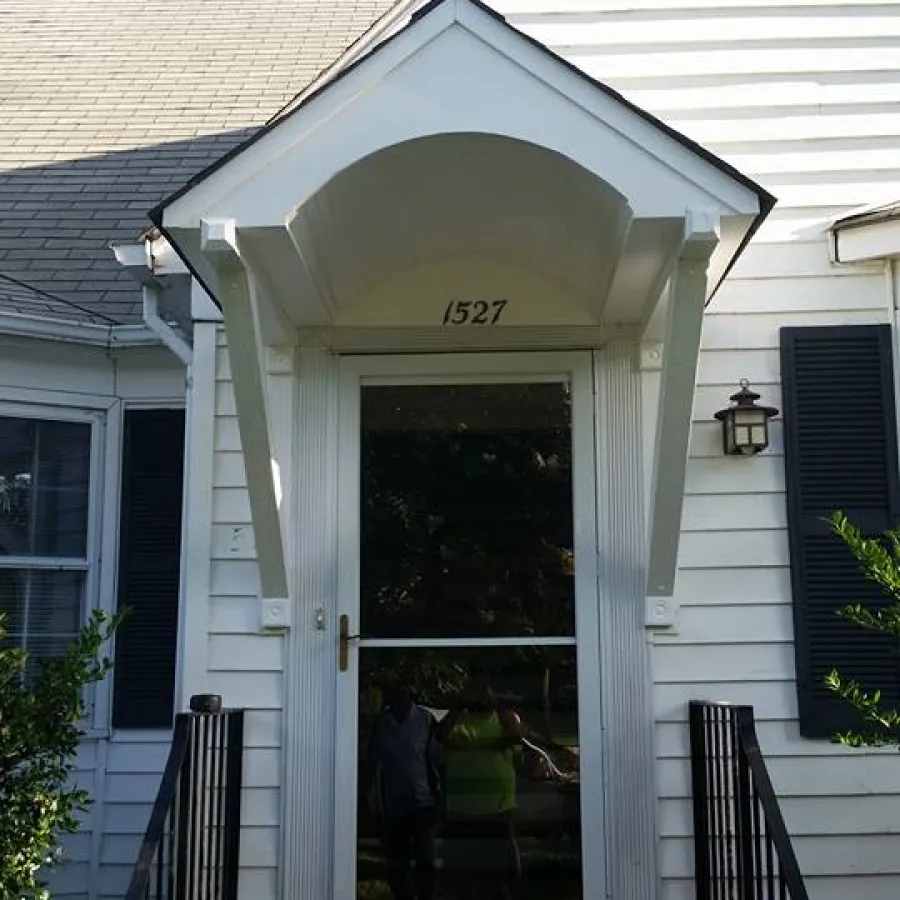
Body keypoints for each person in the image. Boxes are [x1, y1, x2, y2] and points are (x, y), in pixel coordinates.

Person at [436, 679, 523, 900]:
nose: (481, 697)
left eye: (485, 692)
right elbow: (440, 736)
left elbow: (516, 736)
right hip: (462, 810)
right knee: (462, 878)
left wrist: (499, 705)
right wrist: (458, 705)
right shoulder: (457, 722)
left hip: (498, 809)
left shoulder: (506, 720)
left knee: (501, 877)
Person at [361, 684, 441, 900]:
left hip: (422, 801)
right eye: (394, 693)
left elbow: (435, 760)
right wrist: (364, 799)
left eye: (403, 692)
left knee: (424, 857)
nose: (399, 697)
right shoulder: (381, 724)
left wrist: (440, 797)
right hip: (394, 804)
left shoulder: (425, 720)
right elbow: (371, 762)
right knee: (397, 861)